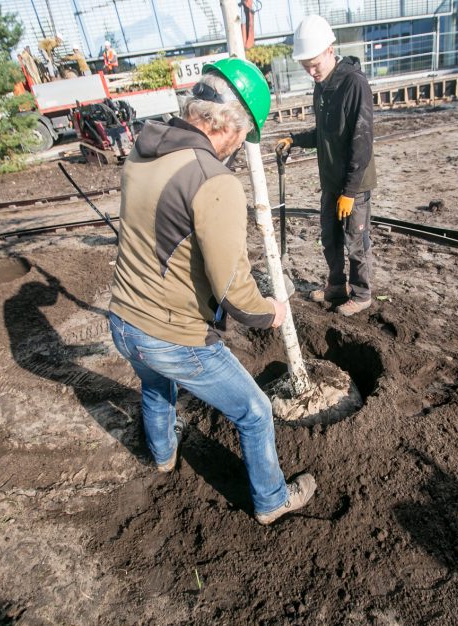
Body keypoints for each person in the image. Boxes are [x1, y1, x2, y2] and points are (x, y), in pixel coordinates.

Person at [108, 58, 316, 525]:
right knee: (255, 411)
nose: (240, 147)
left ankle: (162, 456)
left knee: (156, 387)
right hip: (171, 334)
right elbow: (232, 288)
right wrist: (271, 314)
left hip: (123, 320)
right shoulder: (212, 179)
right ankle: (271, 500)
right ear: (229, 125)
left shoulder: (142, 152)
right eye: (244, 136)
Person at [275, 15, 376, 316]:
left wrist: (350, 190)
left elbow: (362, 140)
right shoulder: (321, 87)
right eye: (305, 65)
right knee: (330, 237)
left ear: (330, 50)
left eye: (315, 63)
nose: (311, 71)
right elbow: (324, 134)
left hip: (353, 185)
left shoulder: (354, 84)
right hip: (331, 181)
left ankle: (362, 294)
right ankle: (336, 284)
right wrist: (294, 138)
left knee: (355, 241)